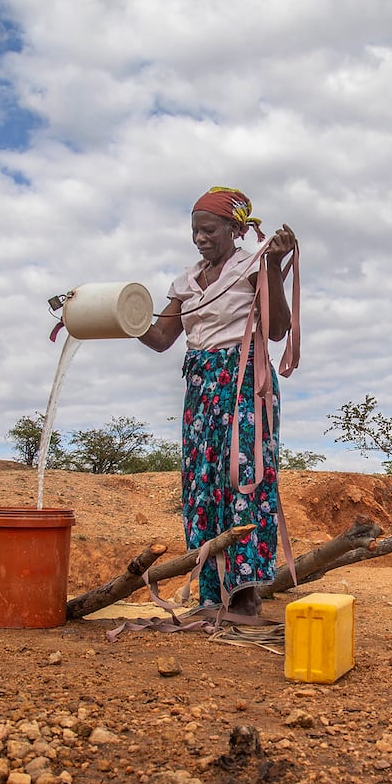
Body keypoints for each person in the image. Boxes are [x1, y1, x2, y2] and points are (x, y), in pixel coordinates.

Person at [139, 187, 300, 608]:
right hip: (201, 388)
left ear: (235, 228)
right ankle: (211, 592)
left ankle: (245, 592)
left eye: (208, 229)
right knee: (202, 484)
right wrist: (123, 313)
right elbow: (159, 339)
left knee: (242, 477)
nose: (200, 238)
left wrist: (273, 267)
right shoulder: (186, 282)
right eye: (195, 231)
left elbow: (278, 329)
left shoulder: (252, 266)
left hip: (244, 381)